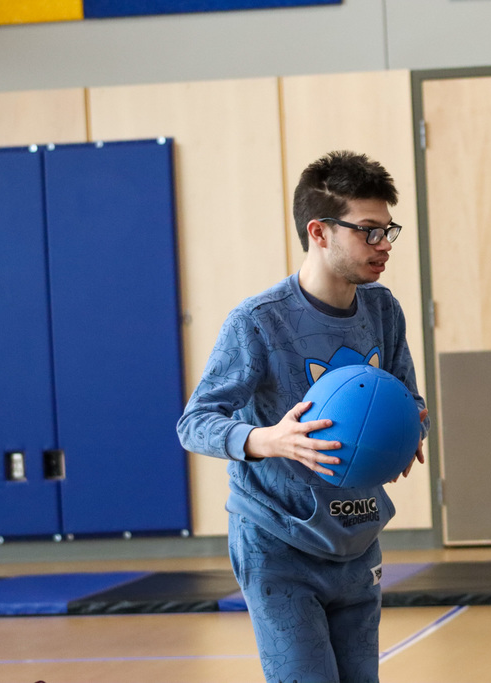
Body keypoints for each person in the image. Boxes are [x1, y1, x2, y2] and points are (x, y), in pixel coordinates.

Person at [177, 150, 429, 683]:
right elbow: (195, 423)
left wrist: (412, 429)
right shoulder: (258, 322)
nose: (384, 244)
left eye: (388, 230)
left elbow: (408, 396)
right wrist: (270, 439)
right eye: (369, 231)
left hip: (357, 536)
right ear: (320, 231)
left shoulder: (383, 309)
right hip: (278, 543)